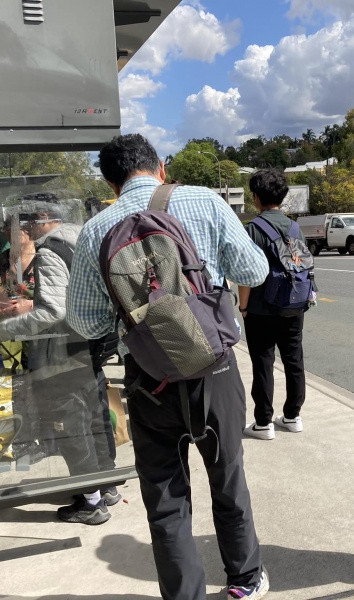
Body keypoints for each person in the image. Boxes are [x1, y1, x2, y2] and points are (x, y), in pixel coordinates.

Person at [67, 134, 271, 600]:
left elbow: (84, 321)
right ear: (161, 168)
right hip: (214, 369)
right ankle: (245, 581)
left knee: (164, 497)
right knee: (228, 477)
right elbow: (254, 271)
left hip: (148, 378)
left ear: (110, 182)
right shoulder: (205, 201)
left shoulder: (96, 229)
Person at [0, 199, 119, 525]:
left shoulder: (49, 252)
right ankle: (107, 485)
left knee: (71, 426)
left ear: (43, 218)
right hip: (89, 346)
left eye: (25, 224)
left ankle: (91, 503)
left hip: (61, 352)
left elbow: (52, 312)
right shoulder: (82, 239)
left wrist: (4, 330)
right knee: (94, 419)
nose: (23, 231)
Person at [239, 169, 308, 440]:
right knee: (294, 360)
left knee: (263, 363)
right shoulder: (295, 228)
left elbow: (245, 275)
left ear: (256, 197)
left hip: (260, 309)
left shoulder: (251, 230)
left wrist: (243, 307)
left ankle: (263, 423)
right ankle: (293, 416)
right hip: (293, 304)